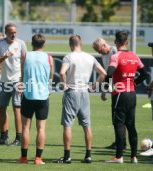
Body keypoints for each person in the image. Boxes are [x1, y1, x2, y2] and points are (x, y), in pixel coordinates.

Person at [56, 35, 106, 164]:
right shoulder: (90, 57)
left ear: (70, 44)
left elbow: (62, 73)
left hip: (72, 91)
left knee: (67, 125)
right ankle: (88, 155)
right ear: (81, 43)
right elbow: (103, 73)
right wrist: (94, 86)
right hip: (84, 92)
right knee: (86, 125)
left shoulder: (69, 57)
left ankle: (67, 156)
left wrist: (64, 85)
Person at [104, 31, 147, 164]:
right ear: (127, 42)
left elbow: (109, 72)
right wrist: (135, 82)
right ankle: (134, 156)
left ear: (116, 42)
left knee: (119, 124)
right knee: (131, 125)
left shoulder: (116, 56)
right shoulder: (134, 56)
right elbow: (144, 74)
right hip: (132, 94)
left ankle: (119, 157)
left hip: (120, 94)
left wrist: (107, 86)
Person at [17, 34, 54, 165]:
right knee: (41, 129)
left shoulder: (26, 55)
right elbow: (51, 78)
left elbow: (22, 75)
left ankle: (23, 158)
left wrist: (20, 85)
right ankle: (38, 158)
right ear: (43, 45)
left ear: (32, 43)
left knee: (26, 128)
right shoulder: (49, 58)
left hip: (28, 95)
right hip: (43, 96)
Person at [0, 23, 27, 146]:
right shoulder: (0, 43)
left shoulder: (21, 44)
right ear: (6, 32)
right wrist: (4, 57)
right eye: (11, 32)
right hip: (3, 81)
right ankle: (3, 136)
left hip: (17, 81)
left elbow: (25, 63)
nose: (13, 34)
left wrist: (22, 81)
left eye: (15, 32)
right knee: (1, 108)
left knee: (17, 108)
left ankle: (18, 137)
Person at [93, 38, 126, 150]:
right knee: (117, 118)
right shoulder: (104, 55)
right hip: (114, 90)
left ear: (103, 45)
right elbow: (107, 74)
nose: (99, 52)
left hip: (120, 89)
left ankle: (120, 143)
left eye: (99, 49)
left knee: (119, 118)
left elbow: (114, 72)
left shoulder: (114, 52)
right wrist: (104, 90)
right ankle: (120, 142)